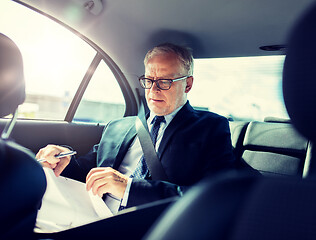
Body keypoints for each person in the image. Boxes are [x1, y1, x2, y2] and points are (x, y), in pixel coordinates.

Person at [36, 43, 235, 213]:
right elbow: (87, 171)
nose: (153, 89)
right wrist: (62, 158)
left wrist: (129, 188)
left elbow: (213, 197)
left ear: (188, 84)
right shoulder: (117, 127)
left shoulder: (211, 127)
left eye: (165, 81)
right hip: (91, 218)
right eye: (149, 80)